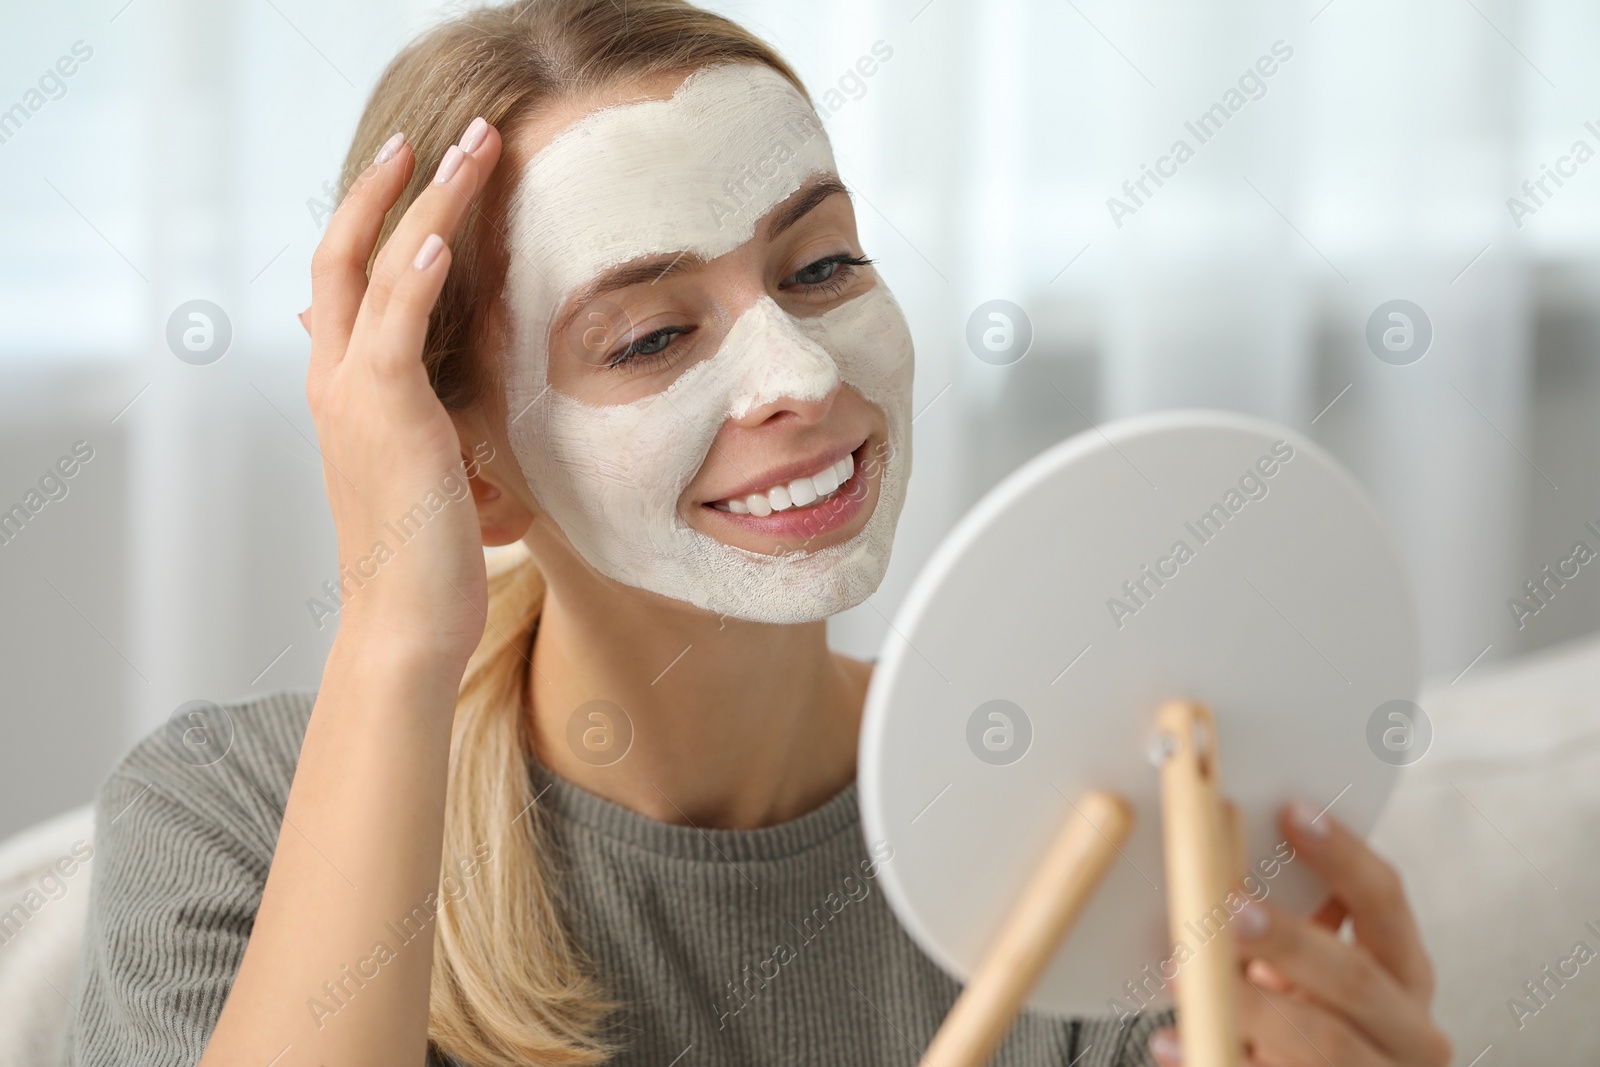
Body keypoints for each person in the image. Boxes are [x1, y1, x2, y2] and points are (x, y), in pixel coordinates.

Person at [63, 2, 1453, 1065]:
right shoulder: (224, 824)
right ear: (469, 471)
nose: (800, 374)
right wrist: (395, 629)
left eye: (823, 263)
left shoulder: (1088, 830)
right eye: (653, 334)